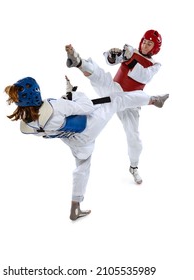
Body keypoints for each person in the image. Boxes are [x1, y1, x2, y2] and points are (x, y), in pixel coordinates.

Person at [4, 56, 168, 221]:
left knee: (82, 167)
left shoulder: (28, 126)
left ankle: (75, 207)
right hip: (88, 128)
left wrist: (68, 96)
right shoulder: (55, 107)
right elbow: (86, 107)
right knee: (117, 99)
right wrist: (75, 93)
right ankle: (154, 100)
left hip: (74, 143)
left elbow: (55, 116)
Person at [67, 30, 165, 184]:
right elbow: (110, 59)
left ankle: (134, 167)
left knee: (134, 137)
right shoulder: (130, 50)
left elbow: (143, 76)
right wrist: (113, 56)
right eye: (145, 41)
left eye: (150, 43)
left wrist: (128, 59)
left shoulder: (155, 65)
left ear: (155, 48)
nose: (145, 45)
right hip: (114, 89)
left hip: (131, 102)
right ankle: (78, 62)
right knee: (99, 75)